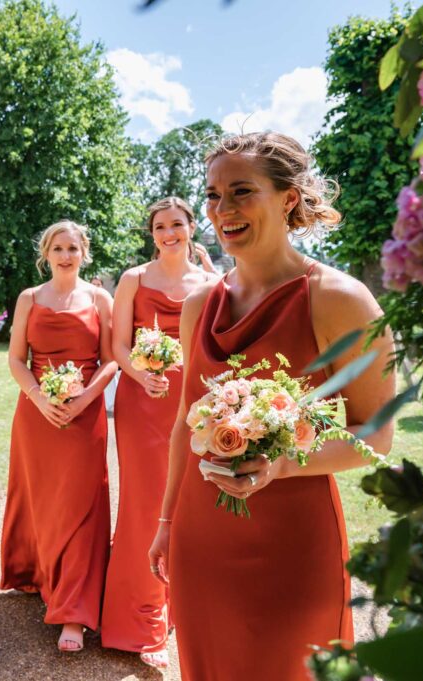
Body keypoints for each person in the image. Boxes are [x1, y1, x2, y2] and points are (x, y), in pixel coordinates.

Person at [147, 132, 396, 681]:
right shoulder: (196, 307)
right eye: (213, 195)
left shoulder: (339, 299)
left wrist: (282, 462)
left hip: (294, 542)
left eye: (241, 191)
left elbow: (376, 435)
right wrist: (167, 522)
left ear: (287, 198)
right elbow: (181, 429)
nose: (223, 210)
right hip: (202, 533)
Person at [101, 197, 217, 669]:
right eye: (159, 226)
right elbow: (118, 344)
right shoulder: (133, 279)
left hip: (193, 403)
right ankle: (141, 623)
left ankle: (182, 608)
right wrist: (139, 373)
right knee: (146, 505)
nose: (168, 233)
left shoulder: (212, 283)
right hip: (142, 402)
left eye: (176, 224)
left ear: (191, 228)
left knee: (192, 503)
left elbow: (215, 347)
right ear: (151, 233)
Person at [0, 221, 117, 653]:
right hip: (37, 416)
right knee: (43, 499)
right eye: (57, 248)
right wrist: (38, 397)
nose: (65, 255)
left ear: (84, 253)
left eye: (72, 248)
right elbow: (16, 359)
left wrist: (86, 399)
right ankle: (43, 575)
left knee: (81, 504)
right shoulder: (29, 299)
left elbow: (110, 361)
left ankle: (74, 611)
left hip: (84, 417)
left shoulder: (100, 298)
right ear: (45, 253)